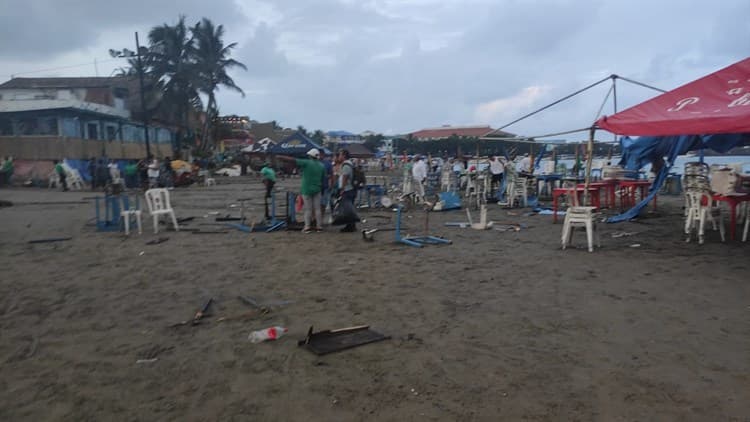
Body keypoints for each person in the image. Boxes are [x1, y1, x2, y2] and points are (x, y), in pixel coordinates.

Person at [277, 148, 325, 233]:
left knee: (308, 209)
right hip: (317, 189)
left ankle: (307, 227)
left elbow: (293, 160)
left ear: (310, 156)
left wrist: (281, 157)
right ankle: (319, 227)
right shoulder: (322, 166)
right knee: (317, 209)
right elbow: (323, 179)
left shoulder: (307, 162)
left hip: (306, 189)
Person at [337, 148, 358, 233]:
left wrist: (342, 189)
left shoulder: (346, 165)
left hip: (347, 189)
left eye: (340, 155)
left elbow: (345, 178)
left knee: (347, 209)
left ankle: (349, 226)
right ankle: (352, 225)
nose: (339, 156)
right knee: (350, 208)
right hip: (351, 189)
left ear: (344, 156)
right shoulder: (350, 164)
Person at [319, 151, 334, 223]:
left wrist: (331, 184)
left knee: (323, 204)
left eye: (320, 154)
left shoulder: (327, 163)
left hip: (324, 187)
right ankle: (316, 220)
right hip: (316, 187)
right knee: (315, 205)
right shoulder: (314, 162)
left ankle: (321, 219)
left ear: (323, 155)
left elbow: (331, 175)